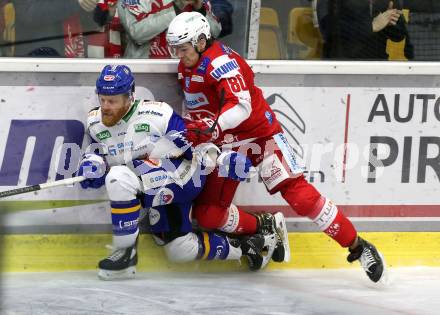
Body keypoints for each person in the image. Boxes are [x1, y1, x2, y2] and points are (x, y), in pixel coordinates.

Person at [166, 11, 386, 283]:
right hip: (227, 148)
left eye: (183, 48)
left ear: (201, 41)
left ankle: (359, 246)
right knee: (208, 215)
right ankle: (265, 226)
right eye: (175, 48)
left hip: (260, 137)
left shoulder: (220, 63)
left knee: (300, 196)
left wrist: (213, 128)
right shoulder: (186, 66)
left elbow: (242, 106)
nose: (179, 54)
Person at [78, 64, 284, 280]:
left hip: (182, 178)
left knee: (118, 177)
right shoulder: (94, 121)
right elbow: (95, 152)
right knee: (180, 250)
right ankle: (247, 247)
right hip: (150, 187)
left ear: (129, 97)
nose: (106, 106)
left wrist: (222, 159)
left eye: (112, 101)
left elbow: (193, 144)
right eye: (102, 99)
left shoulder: (157, 114)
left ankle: (125, 254)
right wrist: (92, 165)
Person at [92, 0, 221, 58]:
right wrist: (177, 7)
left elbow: (215, 32)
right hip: (146, 73)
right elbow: (137, 33)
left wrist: (200, 9)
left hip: (184, 70)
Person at [318, 0, 413, 60]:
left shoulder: (386, 1)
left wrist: (391, 22)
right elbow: (328, 29)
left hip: (378, 66)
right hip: (341, 65)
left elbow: (399, 36)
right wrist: (371, 26)